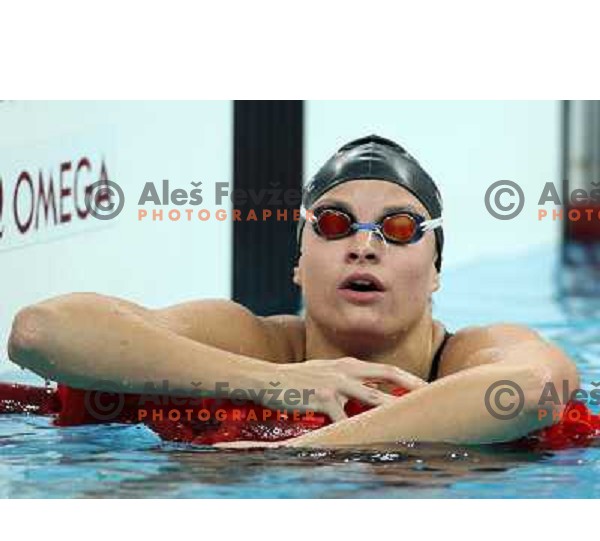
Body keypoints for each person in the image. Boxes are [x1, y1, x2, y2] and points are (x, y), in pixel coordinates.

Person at [7, 135, 579, 449]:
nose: (364, 247)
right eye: (333, 225)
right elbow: (41, 332)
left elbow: (531, 390)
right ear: (298, 264)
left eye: (399, 229)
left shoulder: (466, 356)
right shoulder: (250, 344)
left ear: (434, 271)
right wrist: (275, 383)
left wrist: (309, 449)